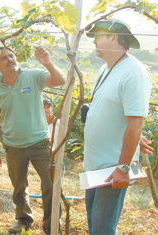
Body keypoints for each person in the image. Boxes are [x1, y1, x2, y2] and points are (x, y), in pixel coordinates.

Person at [84, 19, 152, 234]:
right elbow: (117, 112)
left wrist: (123, 168)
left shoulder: (134, 72)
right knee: (95, 226)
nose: (94, 41)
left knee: (102, 230)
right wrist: (134, 135)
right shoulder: (107, 68)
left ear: (113, 38)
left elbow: (136, 122)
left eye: (98, 36)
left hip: (112, 168)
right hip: (94, 165)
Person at [0, 46, 65, 234]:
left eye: (12, 55)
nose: (9, 59)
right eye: (4, 58)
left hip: (40, 144)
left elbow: (59, 80)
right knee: (19, 186)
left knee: (51, 184)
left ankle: (51, 225)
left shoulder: (33, 76)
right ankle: (23, 220)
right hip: (13, 147)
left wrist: (48, 63)